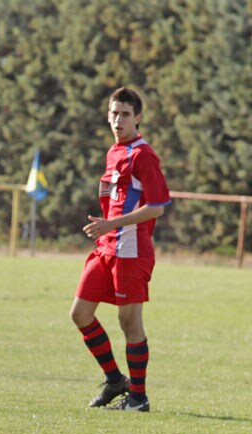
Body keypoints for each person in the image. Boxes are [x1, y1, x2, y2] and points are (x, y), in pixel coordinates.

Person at [70, 86, 171, 412]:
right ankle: (115, 380)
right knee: (80, 314)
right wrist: (106, 228)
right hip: (107, 246)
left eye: (125, 114)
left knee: (130, 324)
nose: (118, 120)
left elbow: (157, 206)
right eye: (114, 113)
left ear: (137, 118)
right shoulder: (114, 152)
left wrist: (111, 225)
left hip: (131, 249)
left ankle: (138, 399)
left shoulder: (143, 155)